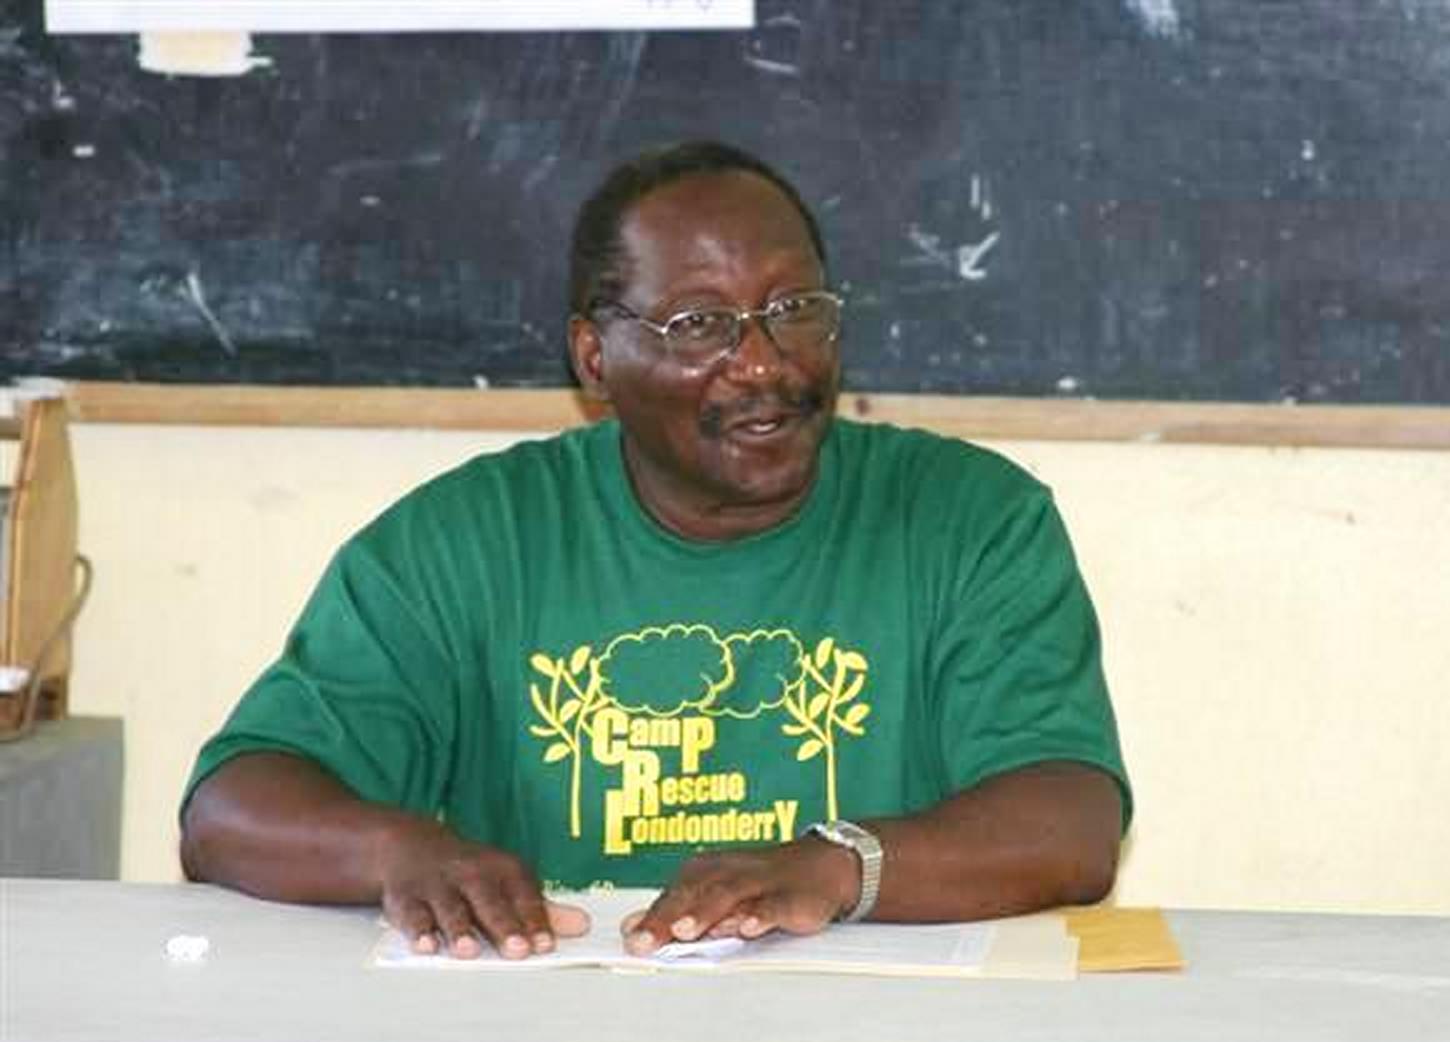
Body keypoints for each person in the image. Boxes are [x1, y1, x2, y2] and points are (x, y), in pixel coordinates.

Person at [180, 140, 1131, 961]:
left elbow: (1073, 821)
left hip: (871, 1030)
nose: (763, 361)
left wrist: (840, 866)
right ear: (595, 358)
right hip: (554, 1028)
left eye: (795, 308)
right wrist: (399, 853)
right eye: (699, 324)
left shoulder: (970, 521)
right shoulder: (465, 543)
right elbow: (230, 810)